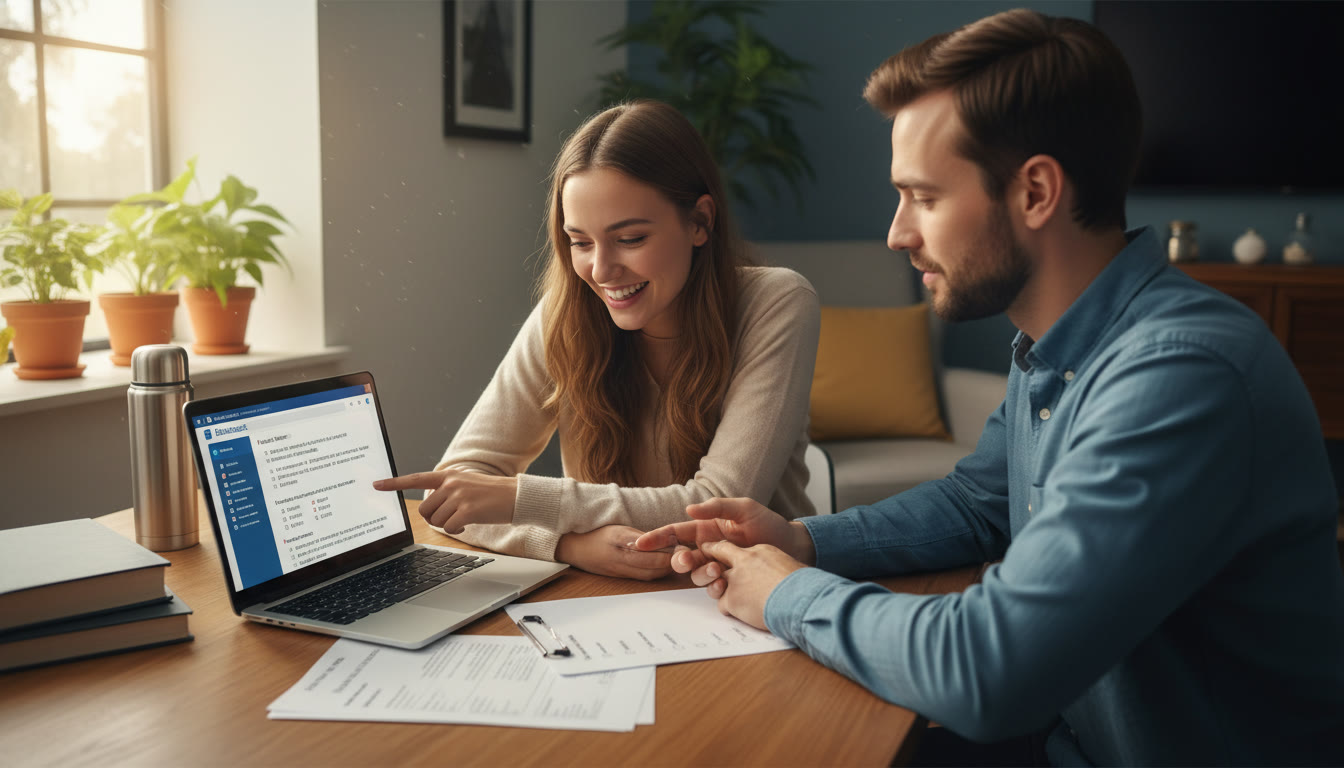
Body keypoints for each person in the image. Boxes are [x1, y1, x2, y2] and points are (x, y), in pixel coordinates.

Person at [636, 9, 1344, 765]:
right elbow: (979, 502)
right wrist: (802, 540)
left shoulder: (1179, 375)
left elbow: (988, 670)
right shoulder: (1059, 341)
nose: (897, 233)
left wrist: (783, 592)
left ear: (1036, 191)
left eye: (924, 197)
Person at [376, 100, 820, 580]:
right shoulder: (564, 315)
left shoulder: (776, 301)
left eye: (629, 239)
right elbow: (452, 494)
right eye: (580, 242)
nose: (601, 271)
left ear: (699, 222)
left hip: (755, 592)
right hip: (607, 600)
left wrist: (522, 500)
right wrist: (569, 544)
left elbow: (715, 507)